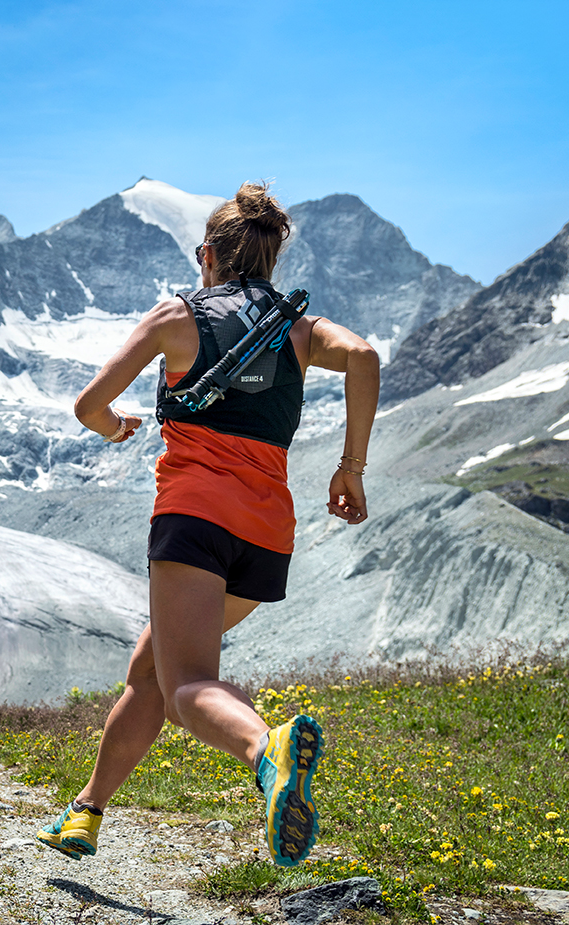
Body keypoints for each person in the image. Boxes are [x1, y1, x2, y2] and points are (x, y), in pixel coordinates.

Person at [34, 181, 380, 868]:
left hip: (193, 519)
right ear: (270, 261)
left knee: (188, 684)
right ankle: (86, 811)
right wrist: (351, 467)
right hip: (265, 534)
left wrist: (114, 428)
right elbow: (366, 357)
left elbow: (88, 405)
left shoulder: (177, 316)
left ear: (208, 256)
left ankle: (266, 751)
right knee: (150, 667)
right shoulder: (301, 330)